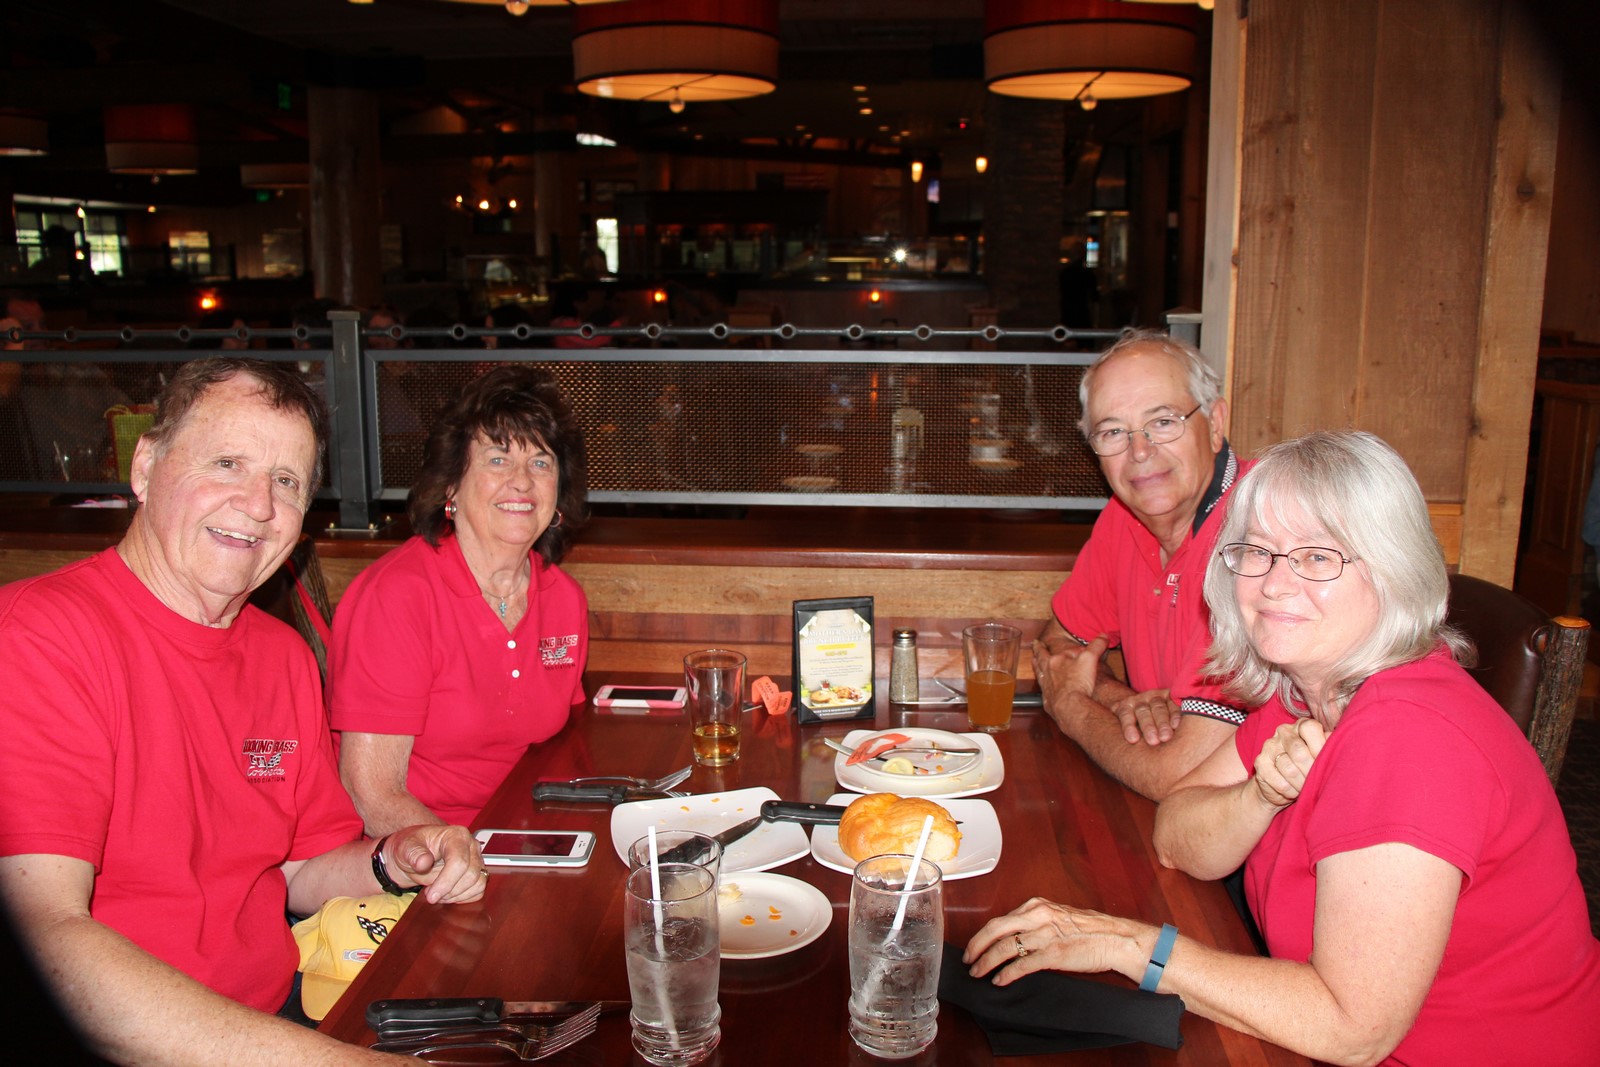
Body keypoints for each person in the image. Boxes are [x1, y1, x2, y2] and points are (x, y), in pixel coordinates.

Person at [966, 430, 1600, 1066]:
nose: (1272, 585)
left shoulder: (1408, 735)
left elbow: (1354, 1029)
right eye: (1256, 552)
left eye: (1319, 557)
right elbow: (1177, 837)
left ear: (1392, 569)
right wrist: (1262, 793)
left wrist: (1133, 948)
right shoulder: (1310, 690)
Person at [0, 356, 487, 1065]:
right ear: (144, 467)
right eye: (227, 462)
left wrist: (398, 856)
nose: (258, 504)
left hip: (279, 1010)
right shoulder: (37, 636)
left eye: (285, 482)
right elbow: (46, 935)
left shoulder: (282, 654)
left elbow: (298, 869)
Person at [330, 364, 590, 834]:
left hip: (529, 834)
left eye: (541, 462)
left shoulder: (563, 599)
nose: (522, 481)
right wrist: (468, 861)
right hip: (422, 851)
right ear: (451, 485)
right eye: (497, 459)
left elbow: (561, 744)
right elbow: (373, 794)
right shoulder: (397, 598)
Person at [1033, 328, 1252, 800]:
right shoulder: (1126, 514)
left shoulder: (1262, 540)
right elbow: (1057, 645)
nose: (1139, 452)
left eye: (1164, 422)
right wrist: (1122, 699)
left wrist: (1073, 704)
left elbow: (1181, 777)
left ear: (1215, 424)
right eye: (1113, 432)